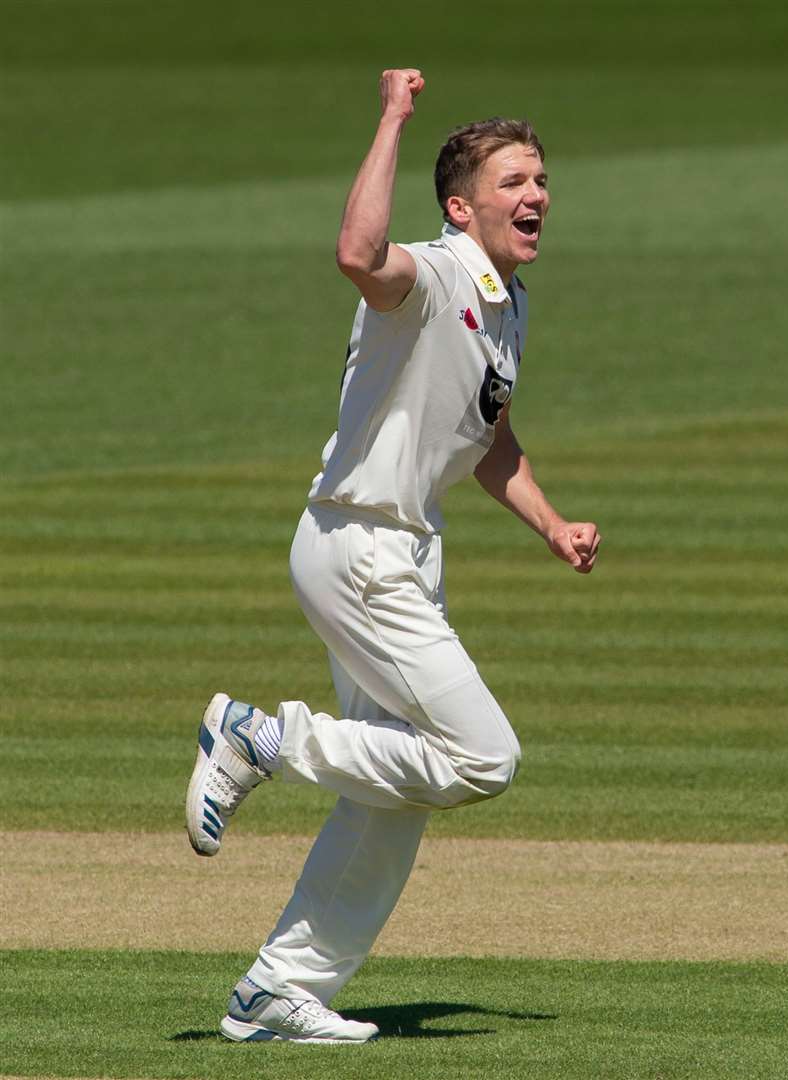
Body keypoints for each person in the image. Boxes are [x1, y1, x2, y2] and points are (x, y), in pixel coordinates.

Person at [183, 68, 600, 1044]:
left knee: (391, 798)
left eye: (540, 180)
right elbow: (356, 252)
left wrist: (551, 524)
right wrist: (392, 118)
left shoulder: (507, 303)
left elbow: (487, 435)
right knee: (483, 757)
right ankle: (263, 737)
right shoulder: (433, 272)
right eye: (512, 181)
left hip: (404, 552)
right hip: (359, 544)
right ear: (461, 205)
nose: (535, 195)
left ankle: (274, 994)